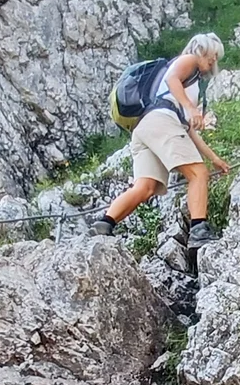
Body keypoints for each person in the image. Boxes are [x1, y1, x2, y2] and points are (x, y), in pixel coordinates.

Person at [90, 33, 231, 244]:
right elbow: (171, 79)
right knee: (199, 174)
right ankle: (199, 231)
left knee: (145, 187)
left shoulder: (189, 84)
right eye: (213, 55)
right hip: (161, 121)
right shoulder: (188, 60)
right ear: (202, 50)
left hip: (146, 128)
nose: (213, 61)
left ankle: (106, 223)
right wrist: (191, 108)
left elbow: (188, 131)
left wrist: (215, 159)